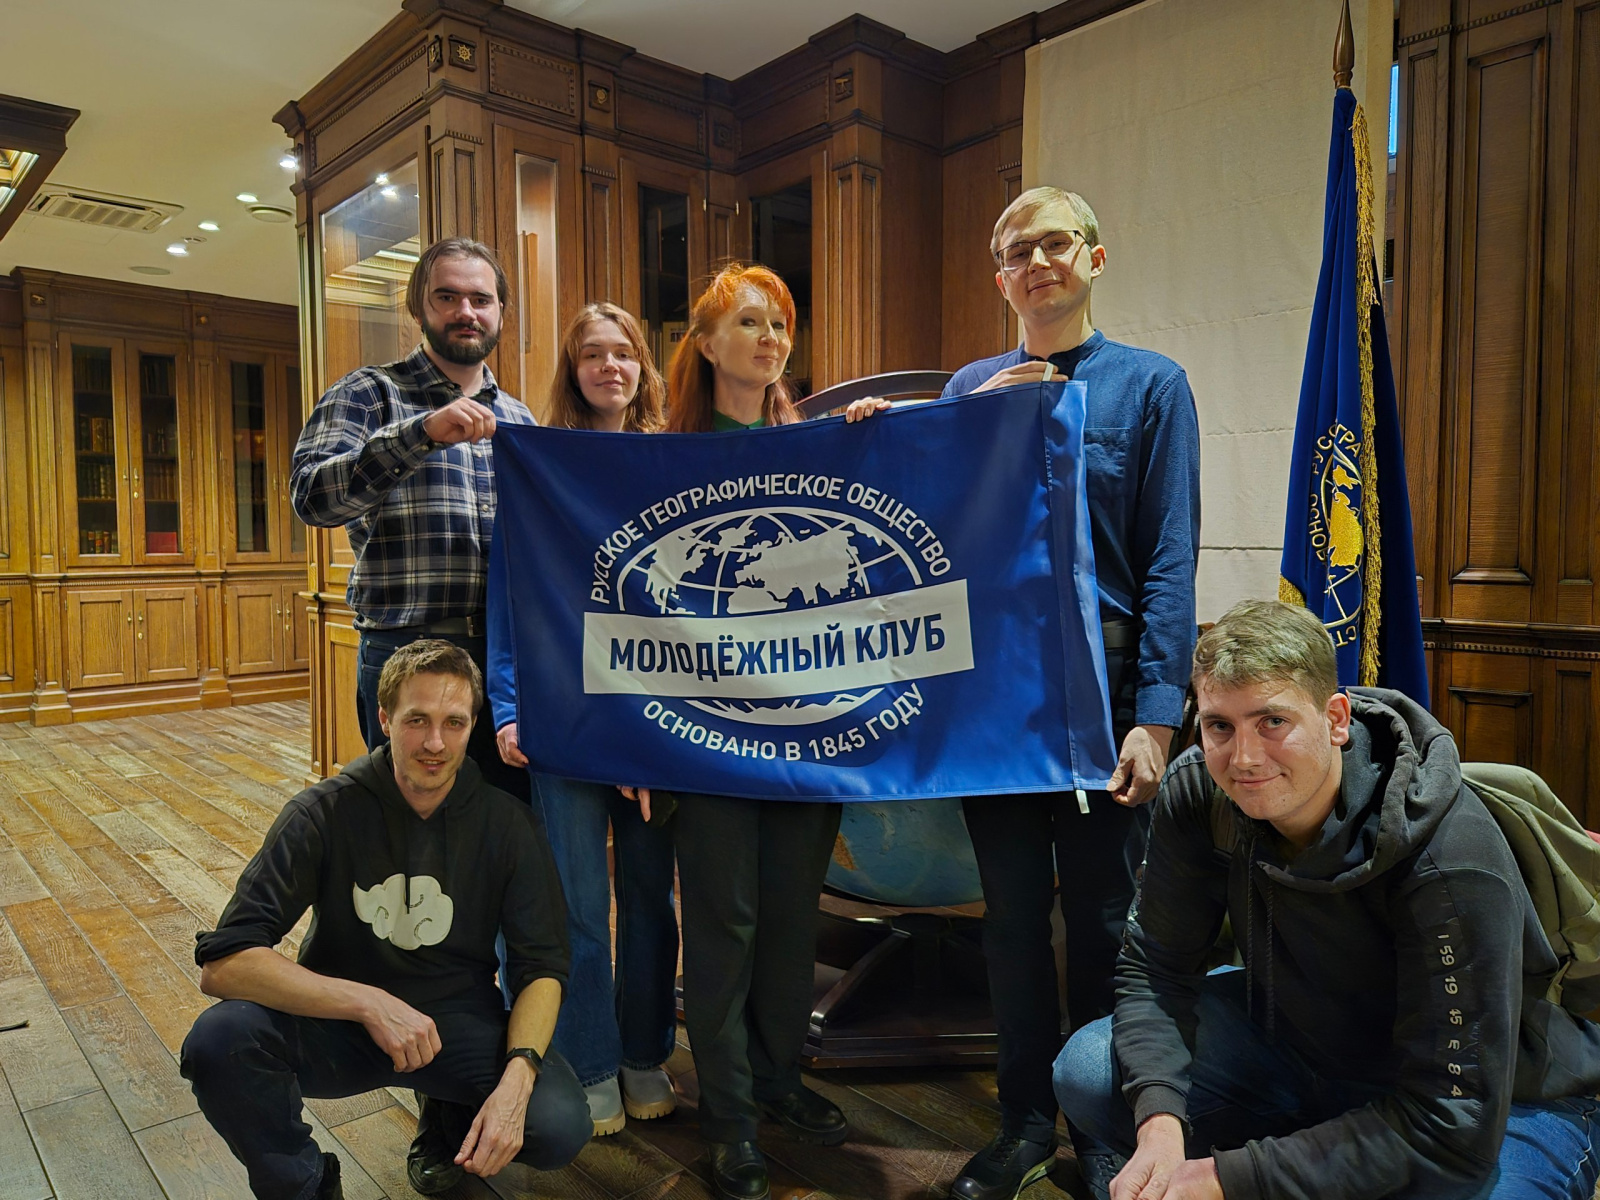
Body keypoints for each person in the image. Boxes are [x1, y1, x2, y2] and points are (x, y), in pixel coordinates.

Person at [1053, 599, 1600, 1200]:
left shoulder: (1450, 854)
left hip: (1492, 1097)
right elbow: (1156, 968)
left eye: (1272, 721)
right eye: (1219, 726)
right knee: (1089, 1068)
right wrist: (1159, 1123)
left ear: (1336, 719)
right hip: (1302, 1049)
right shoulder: (1201, 791)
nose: (1244, 759)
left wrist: (1224, 1177)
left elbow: (1452, 1127)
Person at [909, 186, 1201, 1200]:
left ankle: (1102, 1125)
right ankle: (1024, 1122)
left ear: (1094, 258)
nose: (1038, 261)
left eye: (1056, 243)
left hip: (1107, 688)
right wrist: (919, 427)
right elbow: (925, 521)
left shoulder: (1152, 386)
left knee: (1108, 921)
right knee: (1010, 920)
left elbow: (1169, 561)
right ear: (1000, 279)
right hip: (997, 693)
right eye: (1016, 250)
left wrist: (1156, 718)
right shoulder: (968, 388)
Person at [180, 640, 590, 1200]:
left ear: (472, 726)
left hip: (455, 1023)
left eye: (453, 722)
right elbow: (224, 964)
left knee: (558, 1124)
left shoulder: (508, 825)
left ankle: (446, 1115)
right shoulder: (322, 812)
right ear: (384, 719)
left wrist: (517, 1081)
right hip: (337, 1020)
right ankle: (304, 1183)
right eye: (416, 720)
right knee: (218, 1041)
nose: (435, 743)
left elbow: (542, 965)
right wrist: (368, 1003)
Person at [623, 263, 848, 1200]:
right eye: (749, 322)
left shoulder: (820, 448)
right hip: (704, 740)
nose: (770, 338)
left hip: (806, 735)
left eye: (781, 324)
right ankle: (730, 1116)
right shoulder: (660, 457)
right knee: (725, 927)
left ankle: (777, 1079)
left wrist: (875, 435)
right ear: (707, 345)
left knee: (793, 922)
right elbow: (623, 605)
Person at [486, 303, 680, 1138]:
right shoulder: (541, 464)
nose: (610, 366)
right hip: (564, 717)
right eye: (593, 354)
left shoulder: (673, 459)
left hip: (659, 723)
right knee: (575, 901)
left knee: (649, 897)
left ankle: (644, 1053)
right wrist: (507, 707)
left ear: (642, 366)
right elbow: (510, 594)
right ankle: (592, 1060)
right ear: (573, 370)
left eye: (623, 352)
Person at [290, 235, 534, 804]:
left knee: (504, 822)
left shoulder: (518, 417)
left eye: (480, 299)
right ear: (418, 308)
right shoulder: (369, 393)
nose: (466, 312)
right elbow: (311, 498)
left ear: (500, 311)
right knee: (409, 820)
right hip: (405, 649)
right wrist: (419, 435)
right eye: (447, 297)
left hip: (504, 661)